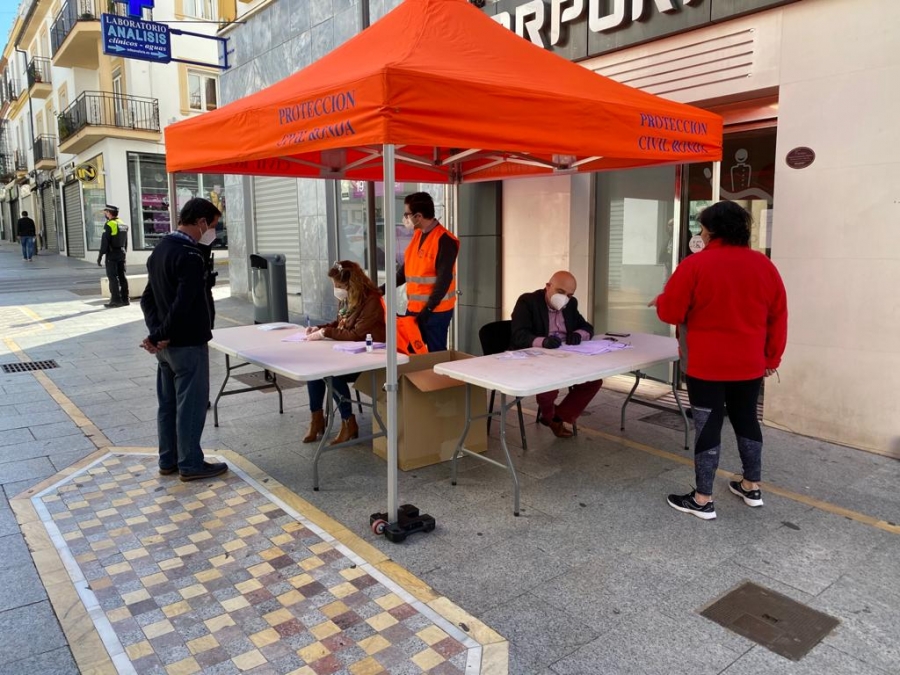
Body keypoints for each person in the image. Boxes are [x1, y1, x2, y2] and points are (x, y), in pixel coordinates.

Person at [650, 201, 787, 521]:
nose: (701, 233)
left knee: (708, 425)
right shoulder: (765, 266)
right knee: (746, 420)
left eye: (702, 228)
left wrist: (660, 299)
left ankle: (702, 499)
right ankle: (752, 486)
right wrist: (772, 357)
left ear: (711, 231)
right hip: (750, 364)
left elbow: (671, 312)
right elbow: (778, 317)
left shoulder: (695, 265)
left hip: (706, 365)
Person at [140, 197, 227, 482]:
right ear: (201, 222)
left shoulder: (161, 250)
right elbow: (184, 303)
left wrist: (157, 335)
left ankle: (169, 460)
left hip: (166, 348)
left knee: (167, 404)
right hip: (187, 344)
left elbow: (148, 299)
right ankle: (190, 463)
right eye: (212, 225)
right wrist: (160, 335)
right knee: (190, 404)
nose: (213, 232)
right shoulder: (189, 255)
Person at [303, 260, 386, 445]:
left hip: (369, 357)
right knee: (315, 369)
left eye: (338, 285)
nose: (336, 289)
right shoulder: (349, 298)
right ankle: (316, 419)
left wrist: (326, 333)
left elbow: (355, 334)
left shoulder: (371, 301)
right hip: (350, 354)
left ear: (351, 283)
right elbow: (340, 324)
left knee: (332, 374)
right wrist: (319, 328)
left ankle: (349, 422)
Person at [510, 270, 602, 438]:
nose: (564, 298)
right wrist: (543, 341)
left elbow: (588, 327)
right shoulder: (528, 301)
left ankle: (557, 417)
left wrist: (578, 334)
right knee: (550, 381)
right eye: (560, 292)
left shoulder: (571, 304)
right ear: (548, 286)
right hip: (538, 355)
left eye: (569, 294)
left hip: (565, 354)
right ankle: (549, 415)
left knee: (594, 380)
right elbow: (519, 335)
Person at [394, 192, 459, 352]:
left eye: (407, 214)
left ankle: (437, 379)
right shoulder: (418, 234)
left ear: (418, 216)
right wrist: (380, 289)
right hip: (414, 309)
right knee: (412, 353)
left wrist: (428, 309)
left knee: (435, 355)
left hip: (435, 311)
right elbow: (404, 272)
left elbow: (443, 280)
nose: (405, 218)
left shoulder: (445, 240)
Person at [98, 205, 129, 308]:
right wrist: (125, 253)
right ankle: (125, 299)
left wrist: (100, 255)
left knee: (112, 277)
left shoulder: (109, 224)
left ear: (109, 213)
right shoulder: (123, 224)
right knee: (122, 276)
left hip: (112, 254)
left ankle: (115, 300)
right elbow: (126, 241)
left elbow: (105, 242)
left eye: (106, 212)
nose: (105, 214)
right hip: (122, 252)